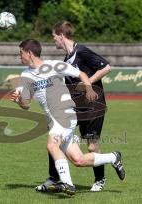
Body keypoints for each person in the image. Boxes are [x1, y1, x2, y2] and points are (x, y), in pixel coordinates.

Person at [11, 39, 125, 196]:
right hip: (55, 120)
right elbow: (26, 104)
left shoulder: (54, 65)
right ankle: (113, 157)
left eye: (21, 53)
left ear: (29, 53)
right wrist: (19, 101)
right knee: (78, 160)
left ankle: (68, 184)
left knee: (52, 145)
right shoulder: (25, 75)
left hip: (65, 114)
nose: (19, 56)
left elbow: (81, 74)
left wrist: (89, 89)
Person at [36, 21, 113, 192]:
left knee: (92, 145)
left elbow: (106, 67)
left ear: (61, 36)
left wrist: (87, 84)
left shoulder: (82, 51)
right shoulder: (66, 60)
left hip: (93, 105)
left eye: (54, 37)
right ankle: (54, 178)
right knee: (55, 137)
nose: (53, 40)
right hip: (75, 108)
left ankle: (100, 179)